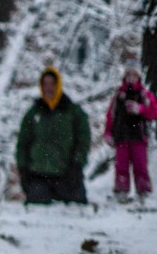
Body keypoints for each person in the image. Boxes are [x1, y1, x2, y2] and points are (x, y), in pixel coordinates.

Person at [15, 66, 90, 205]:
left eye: (52, 83)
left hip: (67, 175)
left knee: (76, 205)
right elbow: (23, 143)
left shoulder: (73, 112)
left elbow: (83, 140)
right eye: (45, 84)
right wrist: (23, 169)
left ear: (58, 85)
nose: (48, 88)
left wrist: (77, 165)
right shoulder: (33, 113)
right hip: (38, 175)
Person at [103, 59, 157, 203]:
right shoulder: (118, 95)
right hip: (121, 136)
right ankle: (121, 190)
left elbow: (154, 112)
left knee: (140, 165)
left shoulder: (144, 95)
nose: (131, 78)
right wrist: (108, 132)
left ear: (139, 77)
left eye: (134, 75)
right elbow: (111, 115)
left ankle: (143, 191)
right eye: (128, 75)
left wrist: (140, 109)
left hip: (139, 136)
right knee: (121, 165)